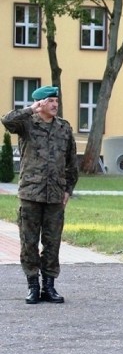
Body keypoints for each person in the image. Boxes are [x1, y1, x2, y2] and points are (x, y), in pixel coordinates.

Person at [2, 85, 78, 304]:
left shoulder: (64, 128)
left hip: (55, 195)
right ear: (40, 103)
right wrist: (31, 109)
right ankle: (33, 286)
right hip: (31, 193)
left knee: (52, 243)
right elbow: (7, 121)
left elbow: (72, 163)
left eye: (56, 100)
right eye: (50, 101)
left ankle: (50, 287)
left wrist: (67, 190)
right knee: (29, 242)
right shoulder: (26, 124)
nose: (55, 104)